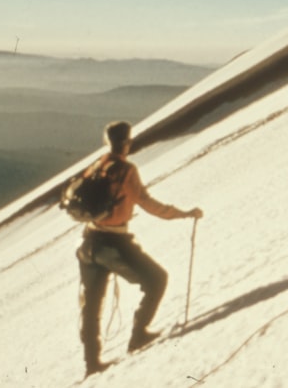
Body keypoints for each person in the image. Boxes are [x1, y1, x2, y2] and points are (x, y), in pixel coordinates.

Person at [76, 120, 203, 376]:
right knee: (157, 279)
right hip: (114, 243)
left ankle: (92, 364)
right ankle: (138, 335)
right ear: (127, 142)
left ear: (107, 141)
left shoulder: (97, 165)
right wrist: (183, 214)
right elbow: (148, 203)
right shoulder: (126, 171)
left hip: (88, 243)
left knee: (91, 305)